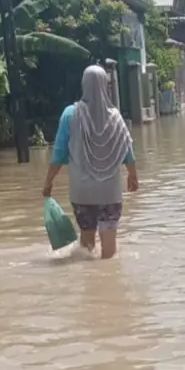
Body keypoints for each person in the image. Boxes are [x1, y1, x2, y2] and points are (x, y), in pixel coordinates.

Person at [42, 65, 139, 259]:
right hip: (110, 191)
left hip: (82, 191)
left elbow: (59, 153)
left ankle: (90, 282)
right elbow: (127, 149)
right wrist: (133, 175)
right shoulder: (116, 117)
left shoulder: (70, 114)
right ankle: (109, 281)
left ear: (83, 85)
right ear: (106, 86)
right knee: (109, 247)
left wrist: (48, 182)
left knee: (86, 244)